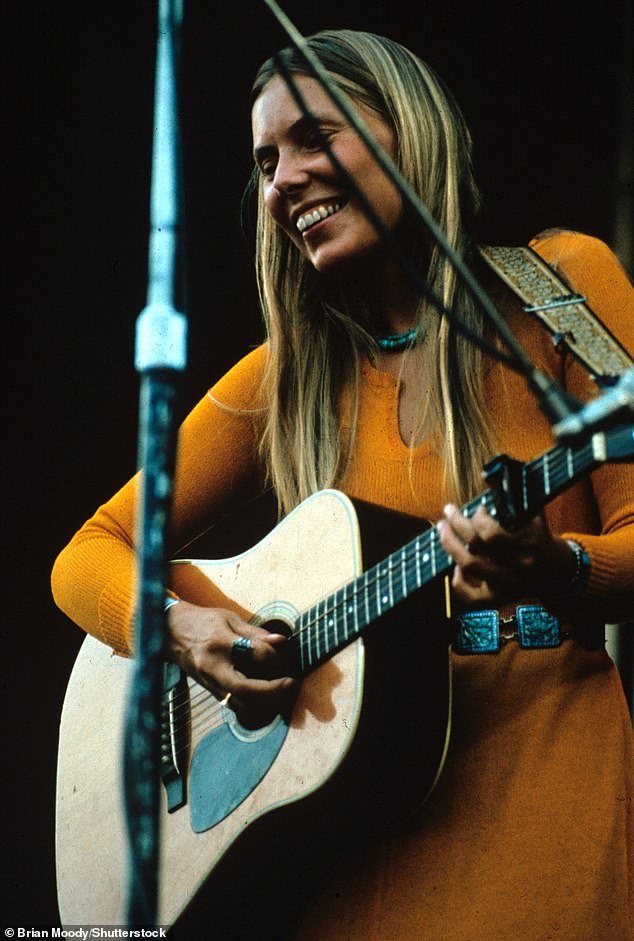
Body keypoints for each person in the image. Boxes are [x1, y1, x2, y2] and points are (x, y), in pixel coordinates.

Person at [52, 28, 634, 940]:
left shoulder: (561, 290)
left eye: (315, 138)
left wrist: (553, 567)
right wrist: (184, 628)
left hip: (539, 781)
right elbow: (86, 551)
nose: (281, 180)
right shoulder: (286, 376)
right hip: (344, 835)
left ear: (409, 130)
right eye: (265, 160)